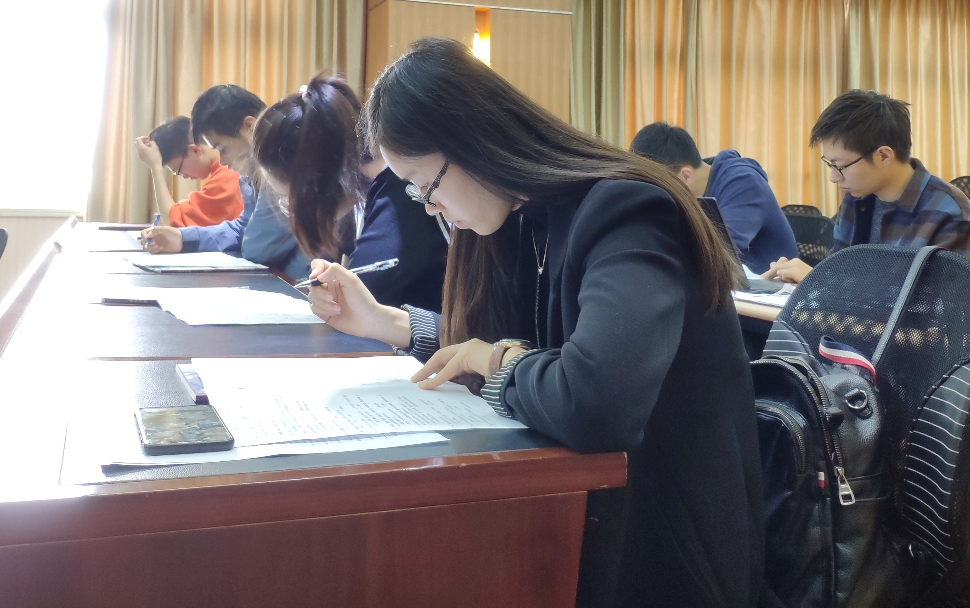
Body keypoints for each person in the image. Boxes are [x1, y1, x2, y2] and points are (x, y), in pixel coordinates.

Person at [300, 38, 763, 608]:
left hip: (662, 546)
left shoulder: (627, 210)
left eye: (426, 185)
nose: (429, 206)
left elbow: (594, 399)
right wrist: (387, 323)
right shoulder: (526, 217)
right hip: (586, 513)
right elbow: (501, 342)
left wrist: (500, 361)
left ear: (474, 141)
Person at [252, 75, 446, 311]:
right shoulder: (362, 191)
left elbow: (360, 297)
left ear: (317, 184)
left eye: (288, 198)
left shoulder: (400, 192)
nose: (290, 208)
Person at [764, 88, 970, 284]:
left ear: (883, 156)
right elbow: (838, 270)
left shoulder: (948, 212)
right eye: (829, 164)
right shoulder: (856, 199)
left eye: (840, 166)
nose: (833, 177)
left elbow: (930, 303)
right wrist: (795, 280)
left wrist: (818, 280)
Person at [139, 84, 308, 278]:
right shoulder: (254, 173)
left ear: (250, 127)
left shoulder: (280, 167)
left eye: (222, 148)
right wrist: (182, 238)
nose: (223, 161)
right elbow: (242, 228)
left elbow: (257, 249)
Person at [630, 122, 797, 274]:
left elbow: (716, 254)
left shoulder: (744, 183)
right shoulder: (693, 182)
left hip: (777, 291)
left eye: (657, 187)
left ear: (685, 176)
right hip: (729, 288)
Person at [133, 116, 243, 228]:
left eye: (179, 170)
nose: (184, 176)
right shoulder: (227, 170)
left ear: (194, 150)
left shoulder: (224, 180)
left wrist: (155, 167)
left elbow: (173, 223)